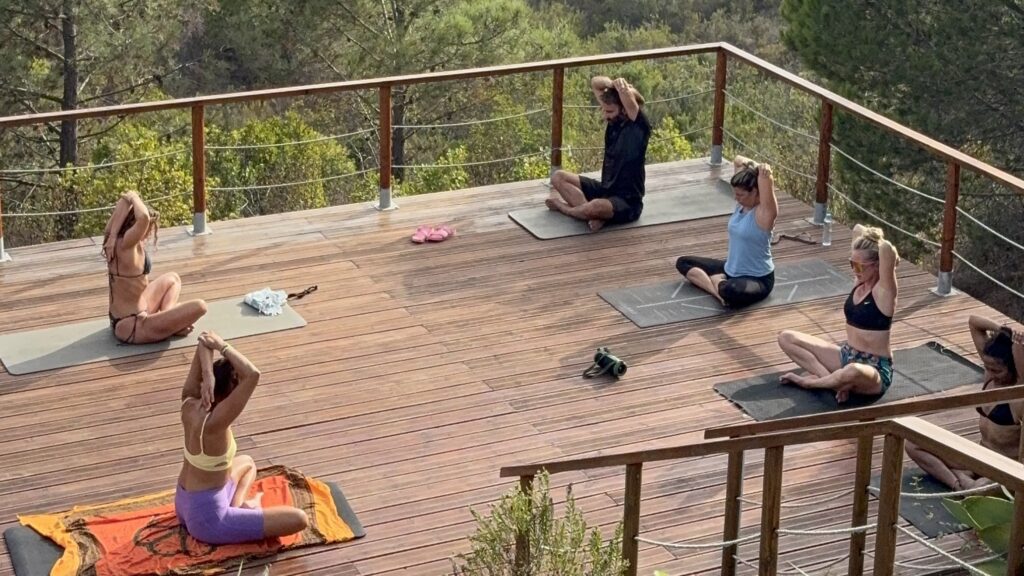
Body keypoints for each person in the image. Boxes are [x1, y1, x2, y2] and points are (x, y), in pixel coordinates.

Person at [175, 332, 309, 544]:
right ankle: (237, 513)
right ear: (229, 396)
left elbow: (203, 340)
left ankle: (238, 506)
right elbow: (253, 375)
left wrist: (207, 372)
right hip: (208, 520)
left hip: (184, 502)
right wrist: (223, 346)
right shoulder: (216, 424)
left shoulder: (188, 402)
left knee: (247, 463)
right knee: (299, 519)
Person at [777, 225, 899, 402]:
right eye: (852, 264)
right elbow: (857, 229)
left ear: (876, 266)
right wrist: (866, 245)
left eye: (859, 266)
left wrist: (877, 240)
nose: (855, 271)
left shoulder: (884, 293)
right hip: (846, 355)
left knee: (853, 371)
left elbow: (887, 249)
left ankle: (810, 383)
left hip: (874, 369)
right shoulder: (858, 281)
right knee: (786, 337)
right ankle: (830, 380)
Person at [906, 317, 1024, 490]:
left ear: (1013, 366)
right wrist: (1005, 332)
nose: (990, 373)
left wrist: (1018, 345)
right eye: (987, 367)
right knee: (913, 443)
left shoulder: (1018, 394)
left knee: (983, 487)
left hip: (1003, 468)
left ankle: (967, 482)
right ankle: (958, 483)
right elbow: (974, 322)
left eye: (997, 370)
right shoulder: (990, 376)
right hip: (978, 455)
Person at [546, 76, 652, 232]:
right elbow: (596, 82)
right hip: (605, 190)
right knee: (558, 177)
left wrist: (623, 88)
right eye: (603, 110)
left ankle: (565, 209)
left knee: (596, 205)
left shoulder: (638, 126)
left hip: (627, 202)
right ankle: (593, 215)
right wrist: (613, 85)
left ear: (624, 109)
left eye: (609, 111)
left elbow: (630, 100)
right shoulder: (613, 122)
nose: (605, 115)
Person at [674, 156, 779, 308]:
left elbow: (766, 180)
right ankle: (716, 289)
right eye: (735, 194)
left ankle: (717, 282)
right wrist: (754, 166)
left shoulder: (765, 214)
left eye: (741, 195)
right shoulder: (741, 205)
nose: (736, 199)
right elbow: (738, 160)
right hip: (730, 269)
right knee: (683, 262)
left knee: (732, 290)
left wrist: (764, 171)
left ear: (755, 192)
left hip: (757, 279)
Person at [103, 191, 207, 344]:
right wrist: (135, 197)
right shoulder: (126, 245)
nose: (149, 232)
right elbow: (144, 217)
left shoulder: (110, 239)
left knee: (173, 278)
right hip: (133, 325)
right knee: (200, 306)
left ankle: (168, 317)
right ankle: (172, 324)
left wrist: (131, 197)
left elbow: (124, 200)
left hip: (132, 312)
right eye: (149, 229)